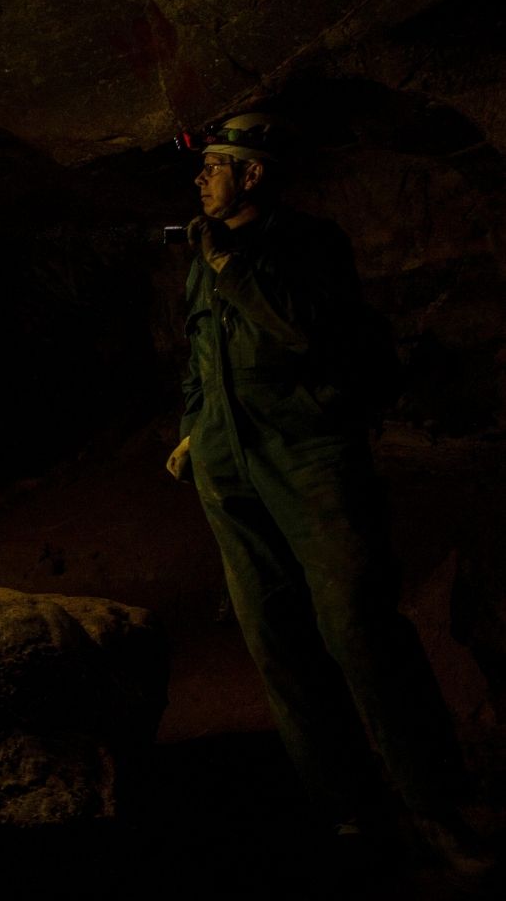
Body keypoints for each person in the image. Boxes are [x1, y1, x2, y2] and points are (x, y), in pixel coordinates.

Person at [165, 113, 493, 876]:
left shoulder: (308, 244)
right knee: (277, 643)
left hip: (309, 455)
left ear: (251, 173)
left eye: (214, 165)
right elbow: (198, 350)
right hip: (228, 464)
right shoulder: (204, 257)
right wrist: (194, 424)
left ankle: (435, 803)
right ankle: (347, 812)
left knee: (357, 626)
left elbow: (302, 331)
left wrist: (227, 268)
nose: (200, 178)